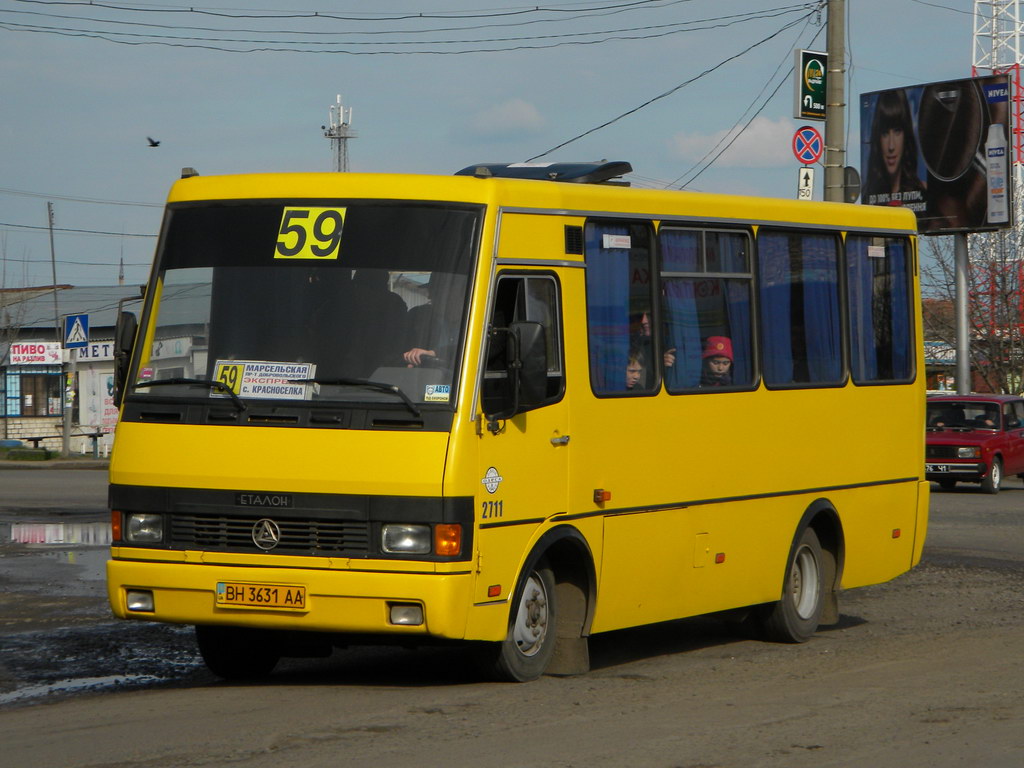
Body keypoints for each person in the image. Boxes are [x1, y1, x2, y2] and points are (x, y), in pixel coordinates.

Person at [864, 89, 926, 209]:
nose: (891, 146)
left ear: (905, 135)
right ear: (878, 138)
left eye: (897, 131)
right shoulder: (868, 196)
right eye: (885, 133)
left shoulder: (922, 193)